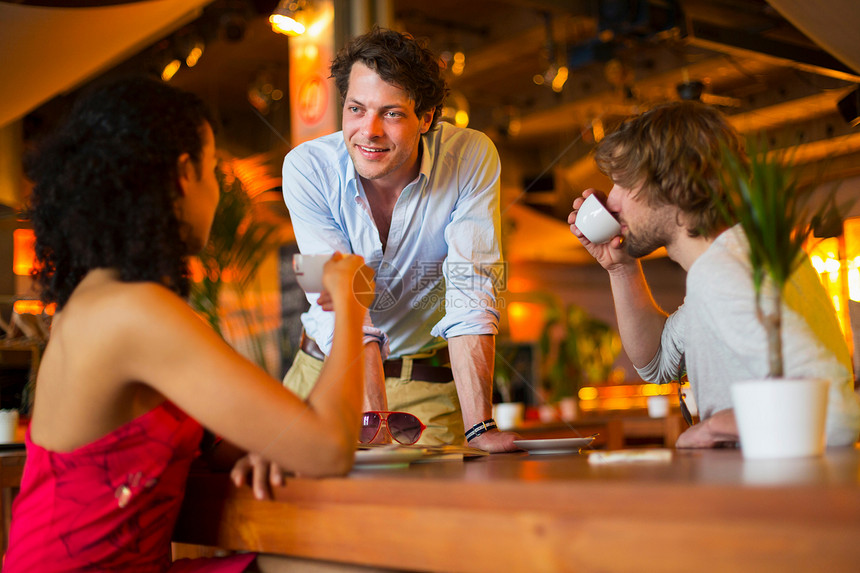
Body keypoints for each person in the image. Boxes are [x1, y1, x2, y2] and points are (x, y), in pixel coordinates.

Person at [4, 76, 374, 572]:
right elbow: (329, 448)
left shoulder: (99, 301)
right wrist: (351, 302)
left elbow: (217, 441)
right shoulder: (134, 312)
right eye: (213, 171)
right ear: (183, 174)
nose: (218, 193)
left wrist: (272, 443)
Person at [567, 100, 860, 448]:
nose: (610, 202)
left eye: (622, 183)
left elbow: (837, 413)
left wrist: (714, 426)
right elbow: (657, 363)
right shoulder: (738, 261)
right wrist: (620, 267)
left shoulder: (723, 272)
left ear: (675, 183)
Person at [281, 27, 518, 452]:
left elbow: (472, 286)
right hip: (325, 378)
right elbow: (341, 302)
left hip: (426, 386)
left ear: (426, 118)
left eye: (391, 113)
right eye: (356, 108)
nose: (368, 130)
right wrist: (375, 427)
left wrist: (481, 428)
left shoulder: (469, 157)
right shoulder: (307, 168)